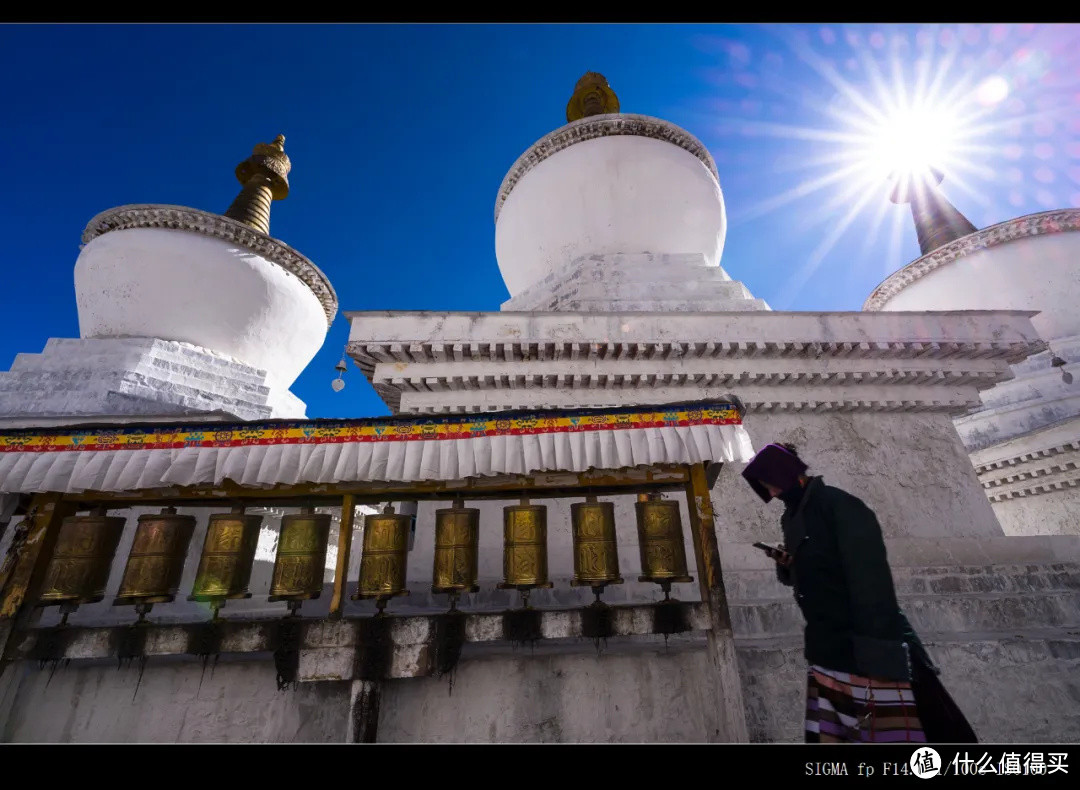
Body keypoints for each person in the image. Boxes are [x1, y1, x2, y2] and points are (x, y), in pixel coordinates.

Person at [741, 442, 977, 744]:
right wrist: (789, 565)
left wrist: (873, 654)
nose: (772, 494)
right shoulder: (791, 518)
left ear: (788, 474)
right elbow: (818, 571)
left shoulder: (842, 507)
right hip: (828, 647)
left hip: (868, 646)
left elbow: (871, 583)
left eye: (772, 484)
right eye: (766, 488)